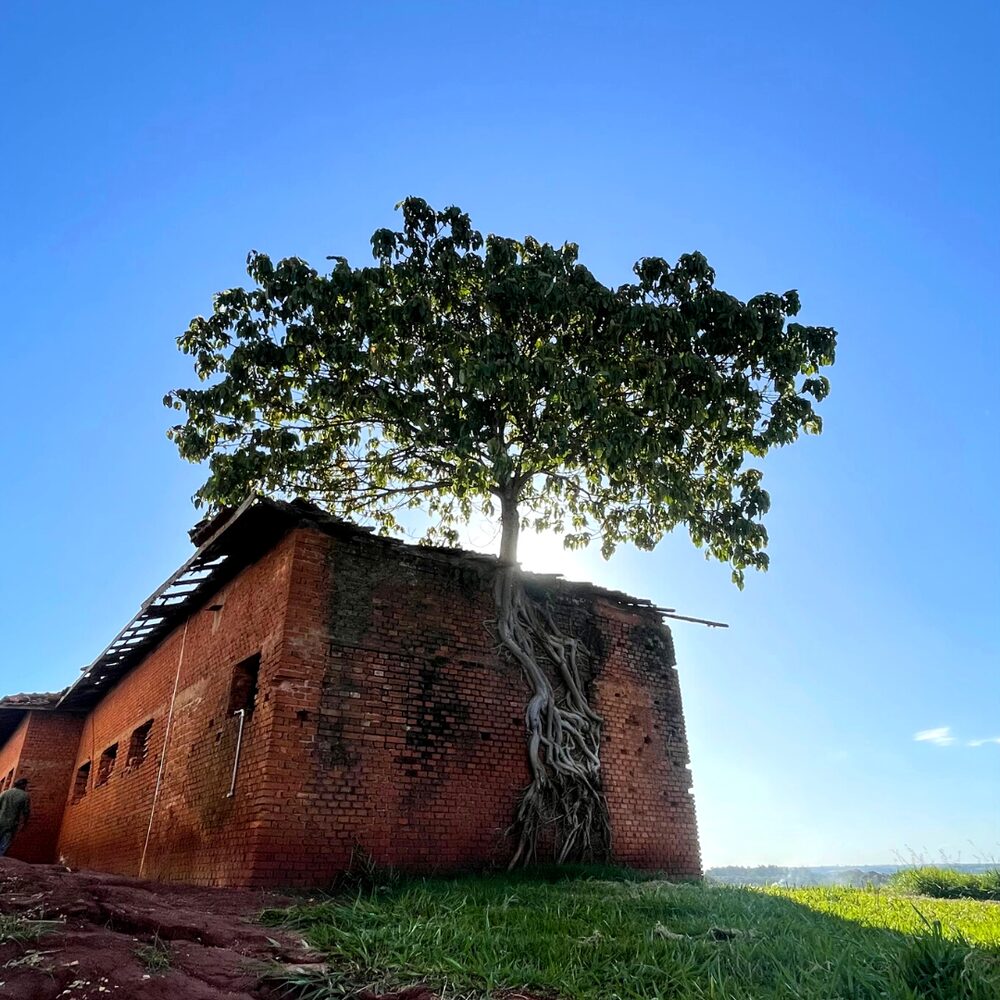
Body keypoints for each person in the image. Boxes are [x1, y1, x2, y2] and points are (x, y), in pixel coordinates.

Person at [0, 778, 31, 856]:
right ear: (23, 785)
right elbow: (26, 811)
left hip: (0, 820)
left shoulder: (4, 793)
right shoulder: (24, 795)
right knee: (5, 842)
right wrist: (25, 822)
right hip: (12, 823)